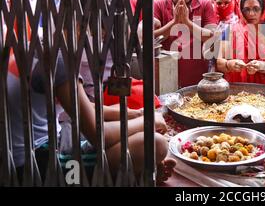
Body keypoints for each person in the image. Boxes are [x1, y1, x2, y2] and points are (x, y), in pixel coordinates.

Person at [6, 53, 174, 184]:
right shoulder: (56, 59)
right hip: (35, 168)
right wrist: (148, 122)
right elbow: (98, 135)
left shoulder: (27, 47)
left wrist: (136, 115)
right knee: (155, 144)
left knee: (121, 116)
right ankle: (132, 175)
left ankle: (137, 170)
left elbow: (83, 106)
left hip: (39, 144)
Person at [154, 0, 217, 88]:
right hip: (166, 70)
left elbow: (212, 37)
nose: (181, 2)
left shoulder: (204, 4)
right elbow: (151, 38)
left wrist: (187, 22)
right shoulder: (159, 4)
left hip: (196, 69)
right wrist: (174, 22)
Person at [216, 0, 265, 87]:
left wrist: (260, 65)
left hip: (264, 88)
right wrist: (229, 64)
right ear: (241, 10)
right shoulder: (231, 30)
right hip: (237, 87)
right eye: (247, 9)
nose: (251, 14)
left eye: (256, 9)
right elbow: (219, 62)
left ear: (263, 9)